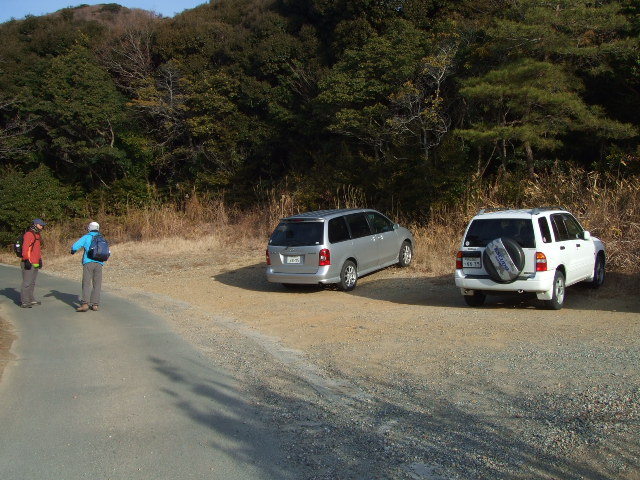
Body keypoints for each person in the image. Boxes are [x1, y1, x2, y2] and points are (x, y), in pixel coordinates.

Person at [71, 221, 104, 312]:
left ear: (89, 228)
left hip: (88, 262)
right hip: (99, 263)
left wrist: (72, 251)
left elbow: (74, 247)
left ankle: (85, 304)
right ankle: (95, 304)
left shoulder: (87, 237)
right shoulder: (101, 237)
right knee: (97, 284)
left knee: (86, 283)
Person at [20, 218, 46, 308]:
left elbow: (37, 250)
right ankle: (25, 302)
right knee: (27, 283)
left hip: (35, 262)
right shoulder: (29, 234)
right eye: (40, 225)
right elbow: (25, 248)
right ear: (35, 224)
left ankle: (31, 299)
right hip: (29, 262)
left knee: (32, 283)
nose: (42, 227)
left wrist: (40, 259)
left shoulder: (37, 235)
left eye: (42, 226)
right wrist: (26, 259)